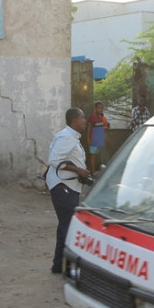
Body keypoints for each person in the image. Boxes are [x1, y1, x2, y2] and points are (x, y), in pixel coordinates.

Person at [47, 107, 91, 273]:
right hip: (62, 186)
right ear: (74, 120)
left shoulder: (71, 137)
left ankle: (58, 265)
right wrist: (78, 170)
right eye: (83, 118)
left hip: (69, 186)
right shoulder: (66, 137)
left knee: (65, 225)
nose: (85, 121)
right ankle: (69, 267)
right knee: (70, 227)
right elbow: (54, 160)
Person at [87, 101, 109, 173]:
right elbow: (89, 128)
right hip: (94, 139)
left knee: (98, 155)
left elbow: (103, 126)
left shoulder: (102, 117)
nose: (100, 110)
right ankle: (93, 172)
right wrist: (88, 138)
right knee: (93, 156)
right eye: (99, 108)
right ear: (95, 108)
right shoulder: (92, 116)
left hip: (100, 139)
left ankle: (98, 170)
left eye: (102, 108)